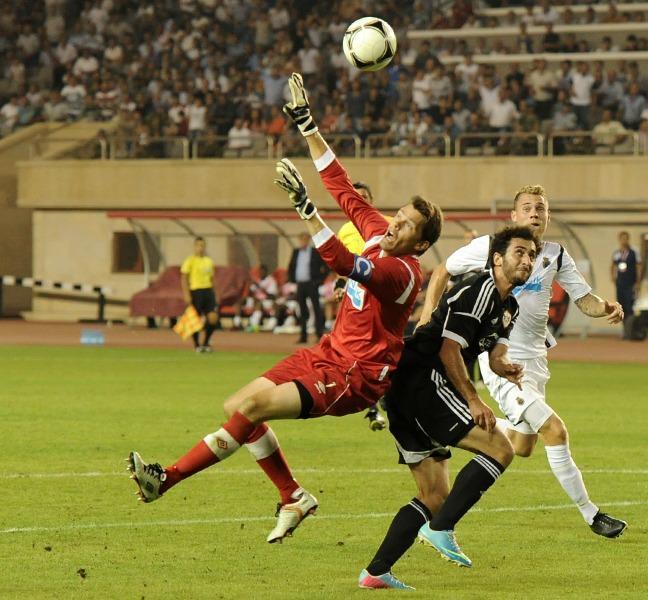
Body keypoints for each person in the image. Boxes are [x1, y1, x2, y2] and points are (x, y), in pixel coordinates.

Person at [127, 72, 443, 545]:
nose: (394, 225)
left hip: (356, 375)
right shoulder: (381, 232)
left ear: (420, 243)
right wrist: (307, 125)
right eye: (398, 216)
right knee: (237, 407)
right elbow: (339, 182)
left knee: (252, 408)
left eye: (407, 226)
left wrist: (306, 211)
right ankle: (293, 496)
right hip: (328, 352)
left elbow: (341, 261)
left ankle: (167, 479)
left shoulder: (404, 273)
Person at [419, 185, 627, 540]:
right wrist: (427, 318)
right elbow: (442, 271)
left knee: (522, 445)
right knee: (555, 430)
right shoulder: (490, 247)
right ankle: (592, 515)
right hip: (501, 360)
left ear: (547, 217)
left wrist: (607, 307)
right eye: (527, 208)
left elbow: (584, 299)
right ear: (513, 216)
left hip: (536, 361)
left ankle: (454, 421)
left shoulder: (556, 255)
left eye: (540, 208)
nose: (534, 213)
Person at [359, 226, 538, 590]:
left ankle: (376, 573)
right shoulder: (481, 289)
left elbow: (495, 353)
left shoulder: (510, 306)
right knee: (500, 448)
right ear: (497, 258)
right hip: (422, 379)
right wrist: (473, 399)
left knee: (435, 496)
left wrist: (505, 366)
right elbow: (448, 350)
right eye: (519, 252)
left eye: (532, 255)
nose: (527, 260)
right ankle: (440, 529)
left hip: (409, 387)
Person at [336, 181, 393, 431]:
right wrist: (340, 285)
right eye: (354, 197)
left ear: (371, 201)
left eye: (363, 197)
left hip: (384, 299)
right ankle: (373, 408)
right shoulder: (345, 231)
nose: (359, 201)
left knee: (386, 352)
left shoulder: (389, 224)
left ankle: (388, 397)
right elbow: (342, 264)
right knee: (357, 353)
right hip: (357, 301)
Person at [288, 232, 328, 343]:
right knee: (302, 310)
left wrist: (319, 281)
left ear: (309, 240)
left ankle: (319, 334)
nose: (303, 242)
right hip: (300, 284)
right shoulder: (296, 252)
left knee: (316, 308)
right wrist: (292, 279)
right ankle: (303, 336)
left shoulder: (315, 252)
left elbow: (325, 267)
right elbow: (291, 267)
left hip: (312, 284)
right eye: (301, 240)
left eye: (305, 239)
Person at [180, 236, 218, 353]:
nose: (200, 248)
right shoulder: (190, 261)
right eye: (198, 245)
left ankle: (206, 342)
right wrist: (186, 294)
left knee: (213, 318)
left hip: (208, 291)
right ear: (194, 246)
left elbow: (212, 279)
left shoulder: (209, 261)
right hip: (196, 291)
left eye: (202, 245)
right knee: (195, 319)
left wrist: (215, 294)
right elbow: (184, 278)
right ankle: (197, 345)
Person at [611, 231, 641, 339]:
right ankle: (625, 331)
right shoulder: (617, 253)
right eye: (622, 238)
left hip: (630, 284)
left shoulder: (634, 252)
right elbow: (613, 266)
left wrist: (638, 282)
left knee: (630, 307)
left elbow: (638, 267)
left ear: (628, 239)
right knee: (621, 308)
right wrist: (613, 277)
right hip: (620, 284)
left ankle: (632, 331)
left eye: (626, 238)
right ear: (619, 240)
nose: (624, 240)